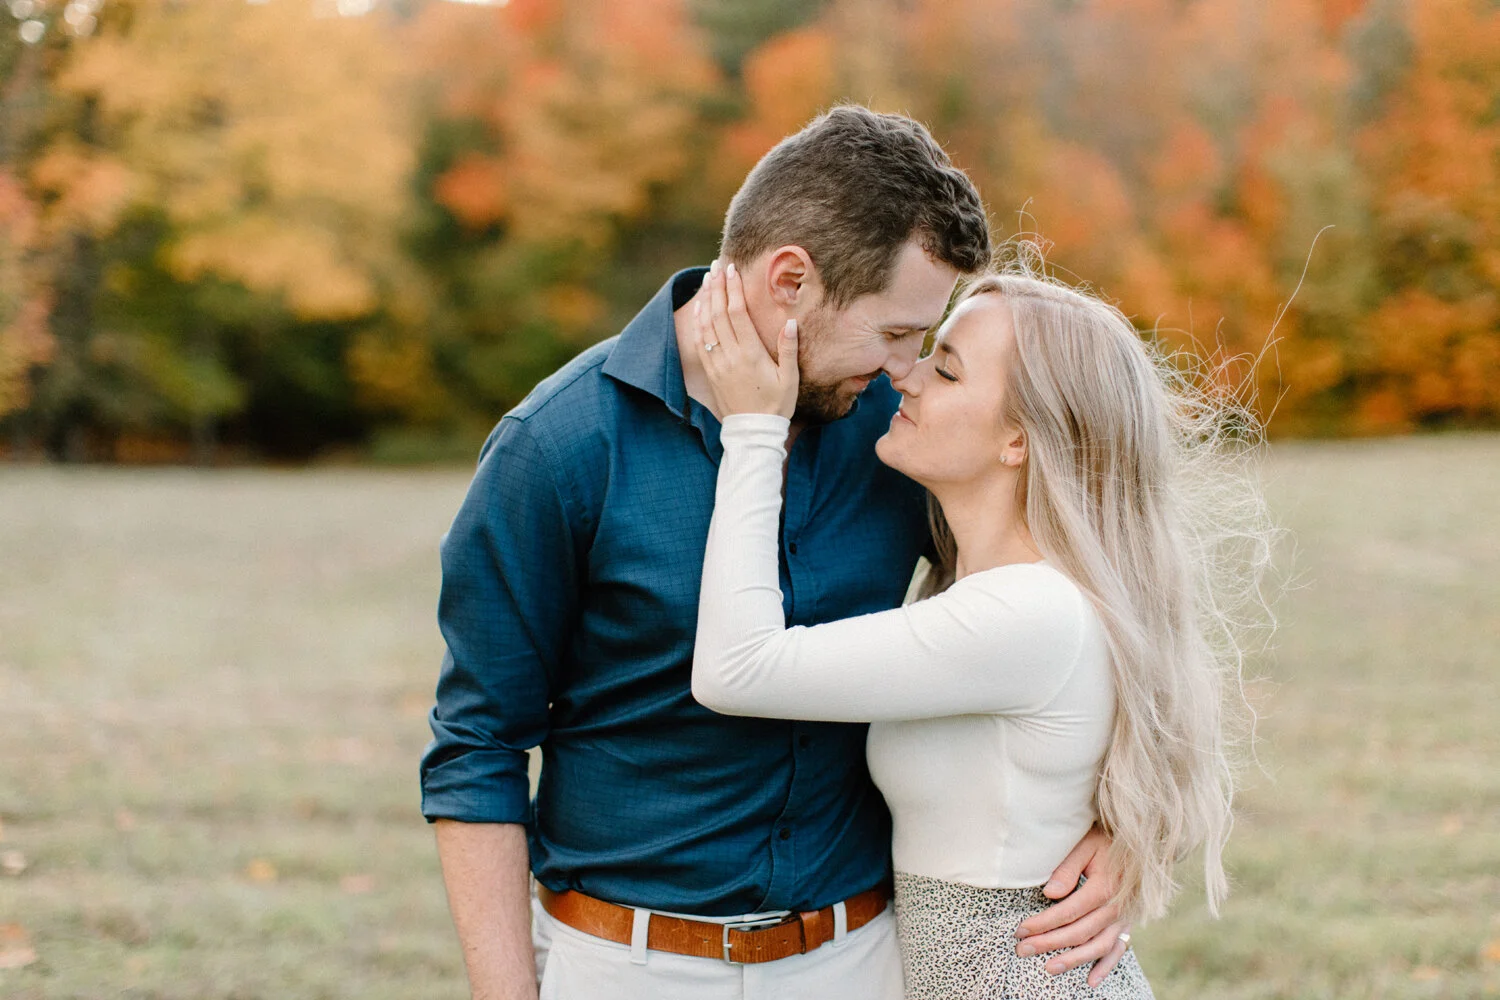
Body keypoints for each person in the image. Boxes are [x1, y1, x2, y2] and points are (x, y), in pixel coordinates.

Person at [422, 107, 1131, 1000]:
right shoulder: (559, 447)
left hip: (863, 960)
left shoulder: (903, 435)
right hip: (627, 966)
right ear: (791, 280)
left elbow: (1097, 601)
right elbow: (478, 744)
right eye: (896, 333)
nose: (906, 367)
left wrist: (1124, 826)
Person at [688, 256, 1273, 998]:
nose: (907, 377)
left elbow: (737, 669)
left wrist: (753, 430)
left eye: (948, 370)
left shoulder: (1025, 614)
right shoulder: (998, 594)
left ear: (1019, 440)